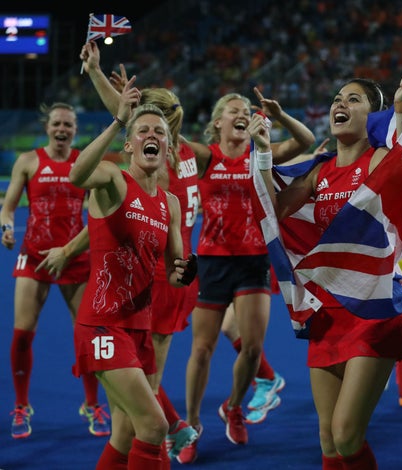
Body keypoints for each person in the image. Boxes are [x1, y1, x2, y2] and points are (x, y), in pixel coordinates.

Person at [256, 72, 402, 469]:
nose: (340, 105)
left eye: (353, 99)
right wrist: (263, 153)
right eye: (336, 98)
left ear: (373, 116)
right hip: (327, 312)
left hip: (375, 309)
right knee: (328, 441)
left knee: (347, 435)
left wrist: (401, 106)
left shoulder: (381, 160)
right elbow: (271, 210)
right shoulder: (318, 172)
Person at [178, 87, 315, 463]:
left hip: (255, 259)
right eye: (233, 110)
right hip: (212, 262)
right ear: (218, 122)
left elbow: (307, 140)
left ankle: (234, 406)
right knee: (202, 350)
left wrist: (279, 116)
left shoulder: (261, 155)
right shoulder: (207, 156)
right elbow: (166, 134)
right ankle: (191, 425)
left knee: (253, 349)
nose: (242, 114)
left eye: (246, 110)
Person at [80, 40, 201, 461]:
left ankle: (179, 428)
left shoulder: (178, 161)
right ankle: (179, 428)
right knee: (145, 419)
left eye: (158, 126)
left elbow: (140, 127)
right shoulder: (133, 169)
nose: (150, 132)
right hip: (119, 305)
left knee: (133, 422)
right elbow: (133, 128)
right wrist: (97, 77)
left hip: (158, 282)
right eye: (142, 125)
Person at [0, 102, 110, 439]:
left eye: (68, 126)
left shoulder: (84, 163)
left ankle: (92, 404)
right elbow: (8, 208)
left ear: (76, 130)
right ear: (47, 127)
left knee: (89, 334)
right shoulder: (28, 161)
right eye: (57, 124)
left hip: (74, 257)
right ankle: (21, 405)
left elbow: (96, 213)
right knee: (22, 334)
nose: (62, 130)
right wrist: (5, 226)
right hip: (33, 256)